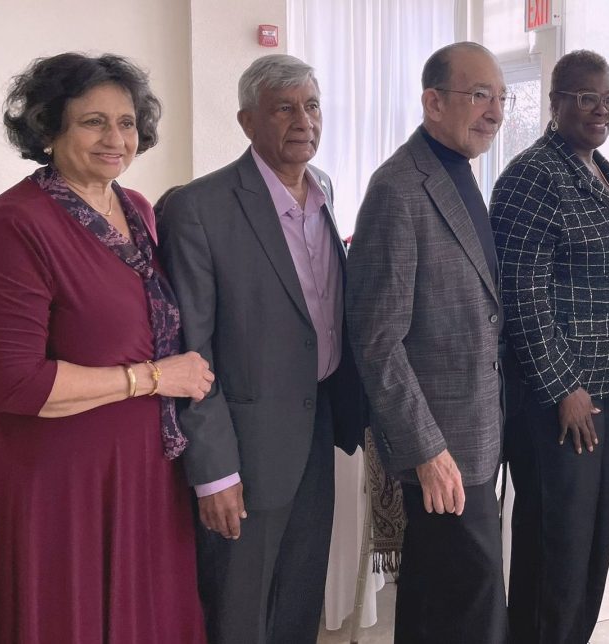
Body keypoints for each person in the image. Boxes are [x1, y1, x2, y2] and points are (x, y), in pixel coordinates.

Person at [0, 52, 213, 644]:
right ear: (49, 130)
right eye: (93, 122)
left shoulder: (138, 210)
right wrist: (154, 378)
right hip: (55, 480)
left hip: (141, 469)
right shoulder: (15, 222)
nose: (115, 138)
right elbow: (13, 383)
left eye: (126, 122)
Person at [158, 54, 363, 644]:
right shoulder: (199, 208)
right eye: (284, 108)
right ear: (248, 121)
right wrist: (214, 471)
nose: (304, 120)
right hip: (245, 448)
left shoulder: (321, 190)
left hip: (317, 424)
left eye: (312, 105)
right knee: (239, 610)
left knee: (299, 593)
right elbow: (191, 348)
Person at [490, 50, 609, 644]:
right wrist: (564, 387)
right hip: (561, 396)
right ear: (555, 101)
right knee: (556, 541)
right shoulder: (532, 176)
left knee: (590, 536)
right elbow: (522, 294)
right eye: (586, 97)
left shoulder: (600, 169)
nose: (602, 108)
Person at [346, 42, 510, 644]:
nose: (493, 110)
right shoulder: (399, 188)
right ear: (433, 102)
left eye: (499, 96)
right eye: (478, 95)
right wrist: (427, 449)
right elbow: (376, 339)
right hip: (442, 448)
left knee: (439, 597)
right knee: (471, 597)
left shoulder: (460, 172)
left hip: (476, 432)